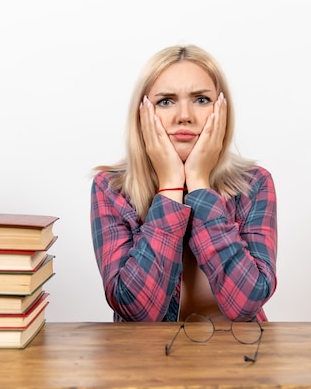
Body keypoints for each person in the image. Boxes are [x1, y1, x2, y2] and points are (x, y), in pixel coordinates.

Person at [90, 44, 277, 323]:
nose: (185, 116)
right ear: (142, 114)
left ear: (222, 109)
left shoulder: (255, 184)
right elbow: (136, 312)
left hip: (239, 356)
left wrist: (200, 184)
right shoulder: (111, 188)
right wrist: (170, 187)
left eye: (201, 99)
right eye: (166, 101)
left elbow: (247, 302)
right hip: (149, 361)